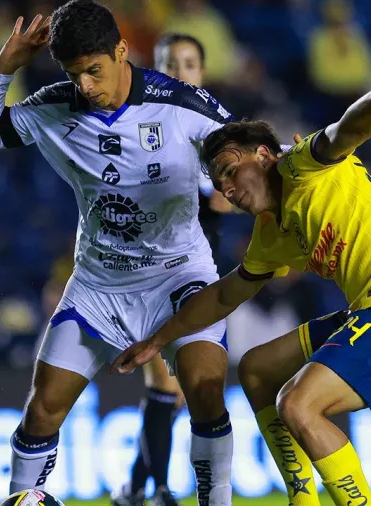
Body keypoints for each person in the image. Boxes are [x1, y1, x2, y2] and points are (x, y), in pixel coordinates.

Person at [113, 45, 371, 506]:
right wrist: (157, 340)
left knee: (298, 404)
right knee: (257, 369)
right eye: (219, 183)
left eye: (232, 170)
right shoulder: (270, 234)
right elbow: (223, 296)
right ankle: (302, 497)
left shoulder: (303, 165)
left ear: (265, 155)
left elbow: (349, 127)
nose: (227, 189)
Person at [0, 2, 236, 504]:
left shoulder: (179, 103)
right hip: (98, 287)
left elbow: (244, 154)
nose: (86, 86)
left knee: (204, 390)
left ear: (121, 51)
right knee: (42, 410)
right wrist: (3, 69)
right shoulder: (56, 106)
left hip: (178, 278)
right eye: (75, 74)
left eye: (94, 70)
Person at [112, 33, 231, 506]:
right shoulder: (146, 132)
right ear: (153, 72)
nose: (181, 73)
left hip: (201, 275)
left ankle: (135, 489)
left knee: (178, 395)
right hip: (152, 274)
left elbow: (227, 194)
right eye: (170, 64)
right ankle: (159, 492)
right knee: (165, 386)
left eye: (189, 64)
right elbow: (216, 195)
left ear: (202, 74)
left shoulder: (212, 133)